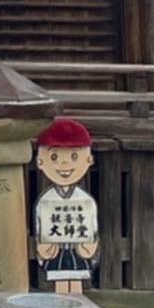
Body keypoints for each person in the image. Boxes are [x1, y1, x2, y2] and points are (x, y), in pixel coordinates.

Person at [33, 117, 98, 294]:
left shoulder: (85, 200)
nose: (64, 164)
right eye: (54, 156)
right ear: (40, 161)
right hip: (57, 250)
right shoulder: (46, 200)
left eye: (74, 156)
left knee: (76, 282)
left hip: (77, 250)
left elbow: (92, 226)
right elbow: (41, 226)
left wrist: (90, 245)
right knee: (60, 281)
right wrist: (43, 246)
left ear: (89, 159)